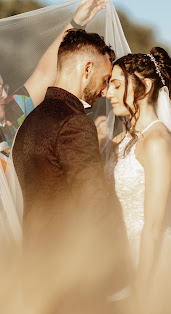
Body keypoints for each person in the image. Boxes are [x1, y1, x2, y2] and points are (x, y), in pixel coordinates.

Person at [0, 0, 108, 265]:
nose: (5, 93)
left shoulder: (8, 125)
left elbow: (42, 74)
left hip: (9, 260)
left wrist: (75, 22)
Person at [12, 28, 116, 247]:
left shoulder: (30, 121)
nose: (106, 91)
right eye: (106, 79)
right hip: (66, 260)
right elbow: (93, 204)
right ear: (88, 69)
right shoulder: (74, 122)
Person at [105, 47, 171, 290]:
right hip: (122, 256)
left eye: (117, 86)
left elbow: (154, 226)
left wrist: (141, 287)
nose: (109, 93)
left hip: (152, 262)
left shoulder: (158, 142)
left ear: (146, 87)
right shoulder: (121, 140)